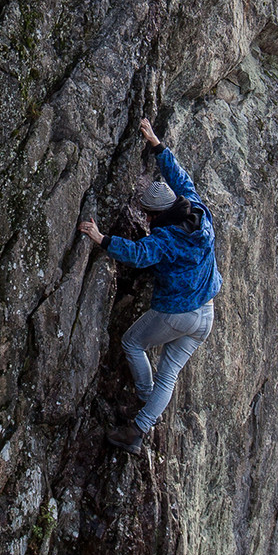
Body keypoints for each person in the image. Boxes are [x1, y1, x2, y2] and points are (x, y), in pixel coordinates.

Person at [78, 118, 221, 454]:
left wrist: (102, 239)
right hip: (206, 314)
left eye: (146, 214)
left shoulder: (166, 239)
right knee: (168, 374)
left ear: (154, 215)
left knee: (132, 342)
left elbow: (139, 255)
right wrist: (156, 144)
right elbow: (180, 178)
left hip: (178, 313)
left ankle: (144, 399)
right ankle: (139, 428)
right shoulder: (198, 210)